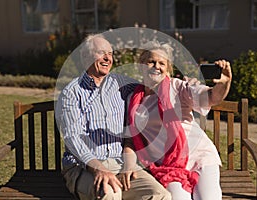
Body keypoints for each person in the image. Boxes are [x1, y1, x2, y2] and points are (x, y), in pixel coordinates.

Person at [55, 34, 171, 200]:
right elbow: (73, 138)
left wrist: (180, 86)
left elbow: (150, 84)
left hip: (121, 164)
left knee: (160, 195)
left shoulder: (121, 84)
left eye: (110, 54)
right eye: (101, 53)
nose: (107, 58)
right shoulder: (71, 93)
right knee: (110, 194)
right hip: (84, 167)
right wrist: (98, 168)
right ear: (86, 57)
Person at [121, 41, 232, 200]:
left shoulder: (178, 87)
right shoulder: (134, 100)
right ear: (141, 65)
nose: (156, 66)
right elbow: (131, 139)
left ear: (168, 68)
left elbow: (210, 98)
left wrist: (224, 83)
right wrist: (128, 164)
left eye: (162, 63)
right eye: (151, 61)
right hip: (169, 166)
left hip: (200, 156)